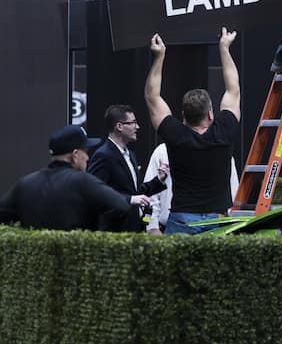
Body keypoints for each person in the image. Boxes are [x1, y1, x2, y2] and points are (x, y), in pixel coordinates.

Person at [145, 27, 241, 234]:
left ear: (183, 116)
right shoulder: (223, 131)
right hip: (218, 219)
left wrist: (159, 56)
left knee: (177, 268)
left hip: (181, 219)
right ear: (210, 115)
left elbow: (152, 97)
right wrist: (224, 48)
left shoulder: (176, 135)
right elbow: (233, 89)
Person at [0, 124, 152, 230]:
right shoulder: (83, 181)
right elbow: (120, 206)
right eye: (86, 151)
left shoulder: (25, 184)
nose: (88, 157)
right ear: (75, 155)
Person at [88, 105, 168, 232]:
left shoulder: (130, 155)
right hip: (114, 231)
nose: (137, 127)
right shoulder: (103, 155)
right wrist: (130, 200)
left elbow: (135, 192)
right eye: (133, 123)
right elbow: (95, 193)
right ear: (119, 126)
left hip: (133, 228)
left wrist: (159, 180)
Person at [141, 142, 240, 234]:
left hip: (214, 222)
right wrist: (152, 226)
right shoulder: (164, 150)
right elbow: (150, 194)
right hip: (175, 225)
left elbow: (233, 192)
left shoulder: (222, 152)